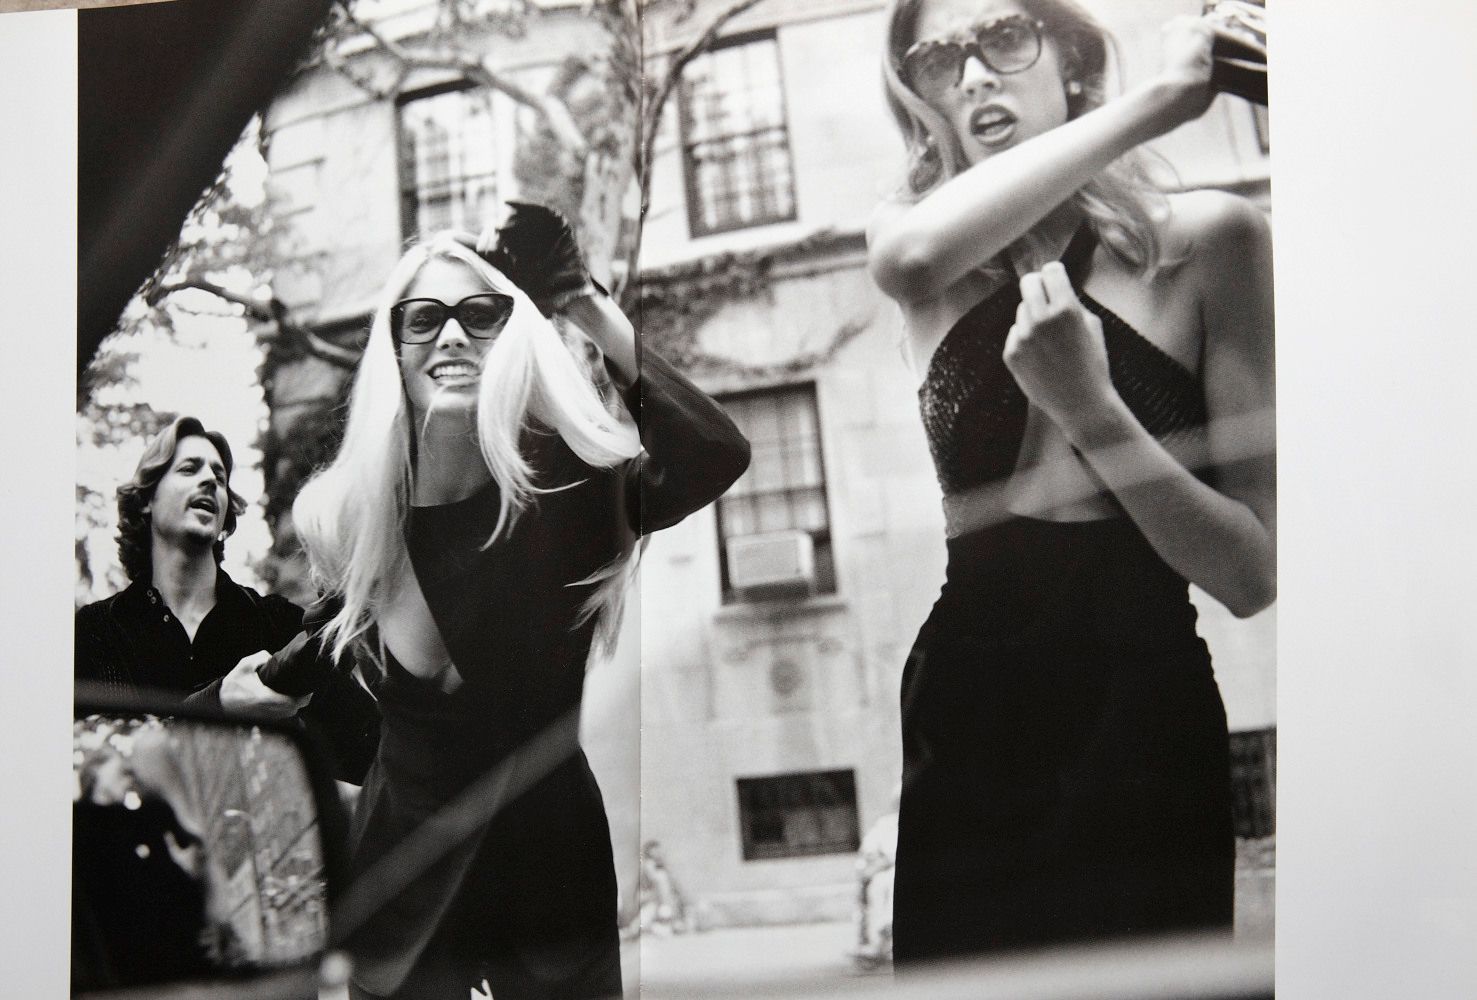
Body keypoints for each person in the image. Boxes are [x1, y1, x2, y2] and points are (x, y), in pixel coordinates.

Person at [868, 0, 1275, 963]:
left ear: (1074, 60)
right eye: (936, 60)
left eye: (1004, 39)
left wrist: (1094, 412)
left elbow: (1251, 574)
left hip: (1146, 696)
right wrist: (1167, 99)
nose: (971, 75)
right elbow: (912, 255)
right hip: (969, 696)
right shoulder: (918, 241)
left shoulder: (1213, 241)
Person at [283, 203, 750, 999]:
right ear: (392, 349)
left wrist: (582, 304)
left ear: (515, 333)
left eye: (482, 314)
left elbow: (710, 453)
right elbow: (317, 653)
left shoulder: (570, 498)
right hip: (399, 893)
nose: (454, 336)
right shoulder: (348, 517)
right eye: (423, 317)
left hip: (551, 881)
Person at [74, 416, 380, 783]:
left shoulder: (280, 623)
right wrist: (218, 705)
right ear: (146, 501)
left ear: (224, 521)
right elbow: (91, 770)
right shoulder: (94, 631)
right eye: (189, 469)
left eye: (219, 479)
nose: (209, 481)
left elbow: (375, 754)